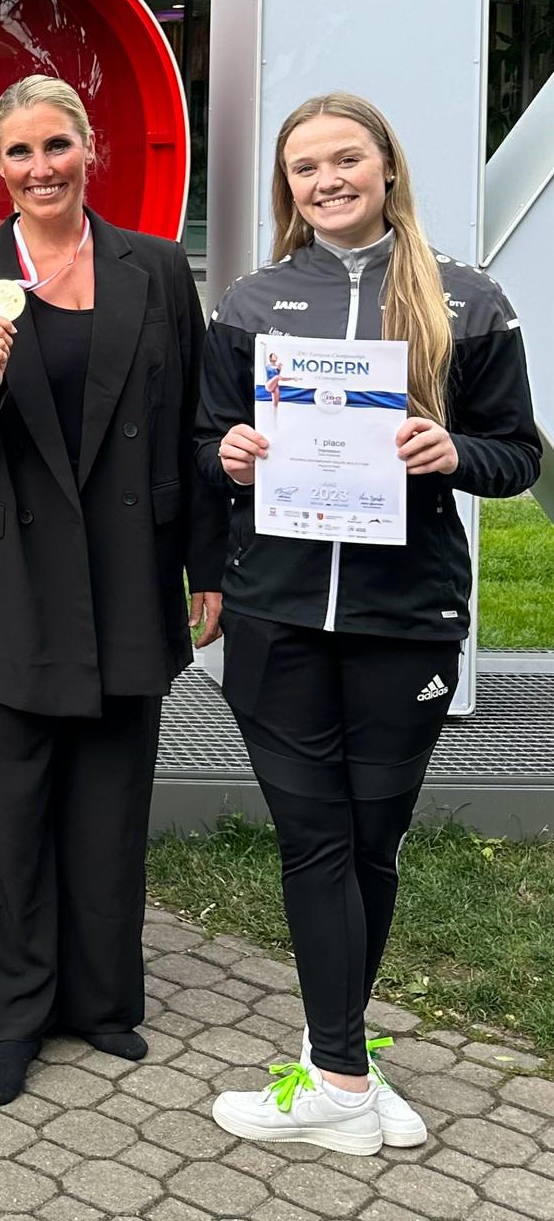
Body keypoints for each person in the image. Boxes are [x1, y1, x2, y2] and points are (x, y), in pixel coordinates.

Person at [202, 93, 539, 1154]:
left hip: (407, 618)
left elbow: (518, 452)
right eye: (307, 166)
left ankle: (333, 1058)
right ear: (287, 189)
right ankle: (344, 1071)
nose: (328, 178)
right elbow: (205, 437)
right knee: (315, 839)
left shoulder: (465, 297)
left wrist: (454, 451)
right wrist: (230, 454)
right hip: (281, 613)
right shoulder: (255, 299)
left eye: (347, 158)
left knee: (374, 842)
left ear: (387, 166)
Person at [0, 75, 225, 1105]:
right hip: (6, 584)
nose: (40, 167)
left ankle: (97, 999)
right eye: (19, 153)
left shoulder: (153, 268)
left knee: (106, 800)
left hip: (125, 572)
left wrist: (206, 562)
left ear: (90, 148)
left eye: (57, 145)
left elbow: (190, 419)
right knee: (4, 813)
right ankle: (8, 1014)